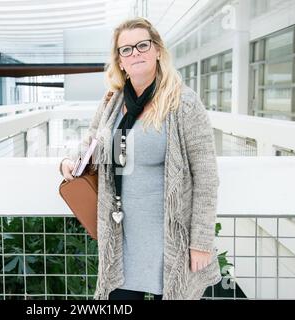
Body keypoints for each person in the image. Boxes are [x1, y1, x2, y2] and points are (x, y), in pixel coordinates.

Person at [59, 17, 222, 300]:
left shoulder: (183, 103)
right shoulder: (112, 101)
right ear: (120, 61)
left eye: (142, 45)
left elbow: (206, 176)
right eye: (127, 49)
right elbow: (91, 144)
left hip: (169, 242)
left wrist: (201, 242)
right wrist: (69, 162)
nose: (135, 53)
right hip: (123, 239)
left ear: (157, 51)